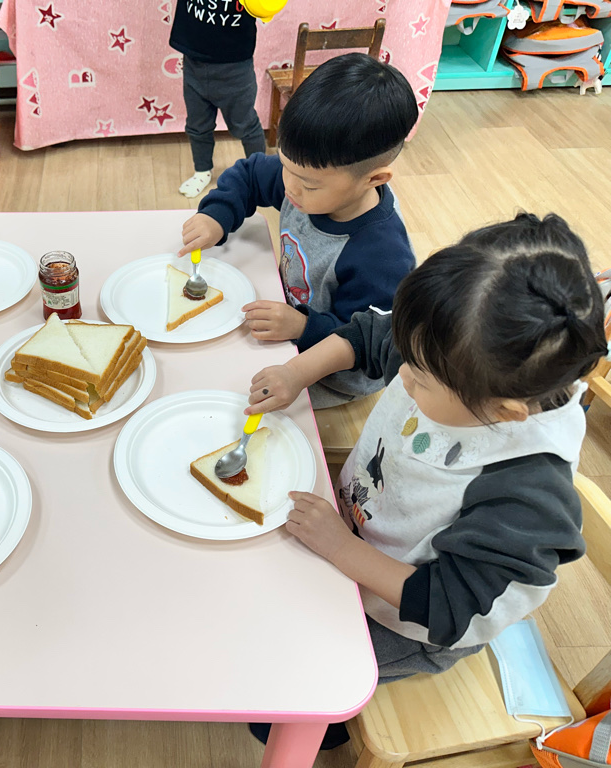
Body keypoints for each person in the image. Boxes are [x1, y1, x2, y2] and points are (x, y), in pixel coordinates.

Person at [245, 213, 607, 747]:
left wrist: (341, 549)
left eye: (418, 380)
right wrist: (295, 373)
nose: (401, 375)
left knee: (281, 700)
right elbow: (369, 337)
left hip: (410, 620)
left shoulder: (525, 494)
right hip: (354, 532)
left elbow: (444, 606)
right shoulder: (449, 347)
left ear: (504, 413)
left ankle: (334, 726)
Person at [180, 52, 419, 408]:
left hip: (332, 373)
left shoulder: (382, 254)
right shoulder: (307, 173)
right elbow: (250, 175)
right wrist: (217, 216)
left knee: (222, 396)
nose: (289, 186)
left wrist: (302, 328)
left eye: (307, 184)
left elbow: (364, 340)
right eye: (286, 166)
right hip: (290, 317)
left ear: (374, 179)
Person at [169, 0, 267, 198]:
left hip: (235, 66)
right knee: (197, 124)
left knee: (246, 126)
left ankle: (260, 176)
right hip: (194, 60)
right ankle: (202, 171)